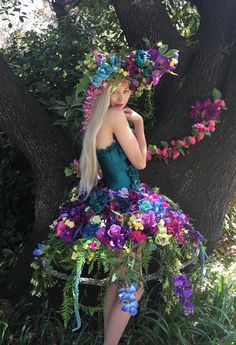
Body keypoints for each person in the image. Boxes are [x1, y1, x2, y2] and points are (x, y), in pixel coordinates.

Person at [31, 47, 204, 345]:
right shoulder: (115, 116)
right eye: (115, 90)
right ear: (103, 91)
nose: (122, 97)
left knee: (119, 278)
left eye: (126, 91)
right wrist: (138, 122)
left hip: (108, 200)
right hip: (126, 205)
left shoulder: (97, 121)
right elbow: (140, 162)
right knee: (132, 284)